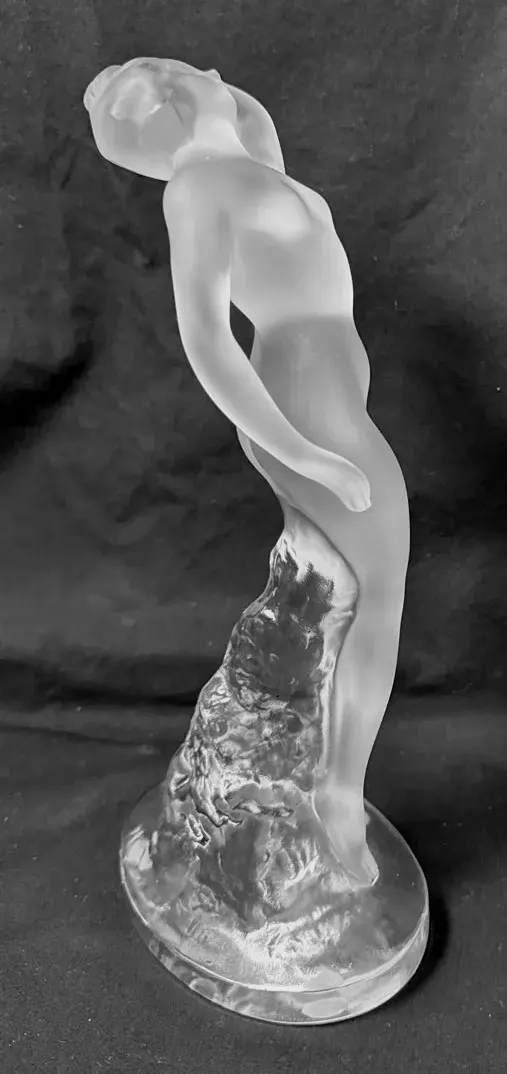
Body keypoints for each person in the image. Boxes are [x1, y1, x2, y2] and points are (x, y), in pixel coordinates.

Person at [84, 59, 410, 885]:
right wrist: (299, 450)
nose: (203, 71)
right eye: (170, 77)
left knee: (352, 596)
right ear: (158, 111)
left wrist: (206, 95)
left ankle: (325, 778)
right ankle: (339, 796)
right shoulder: (197, 186)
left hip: (322, 402)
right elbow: (205, 337)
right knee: (380, 596)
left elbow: (245, 116)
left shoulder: (250, 164)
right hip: (304, 408)